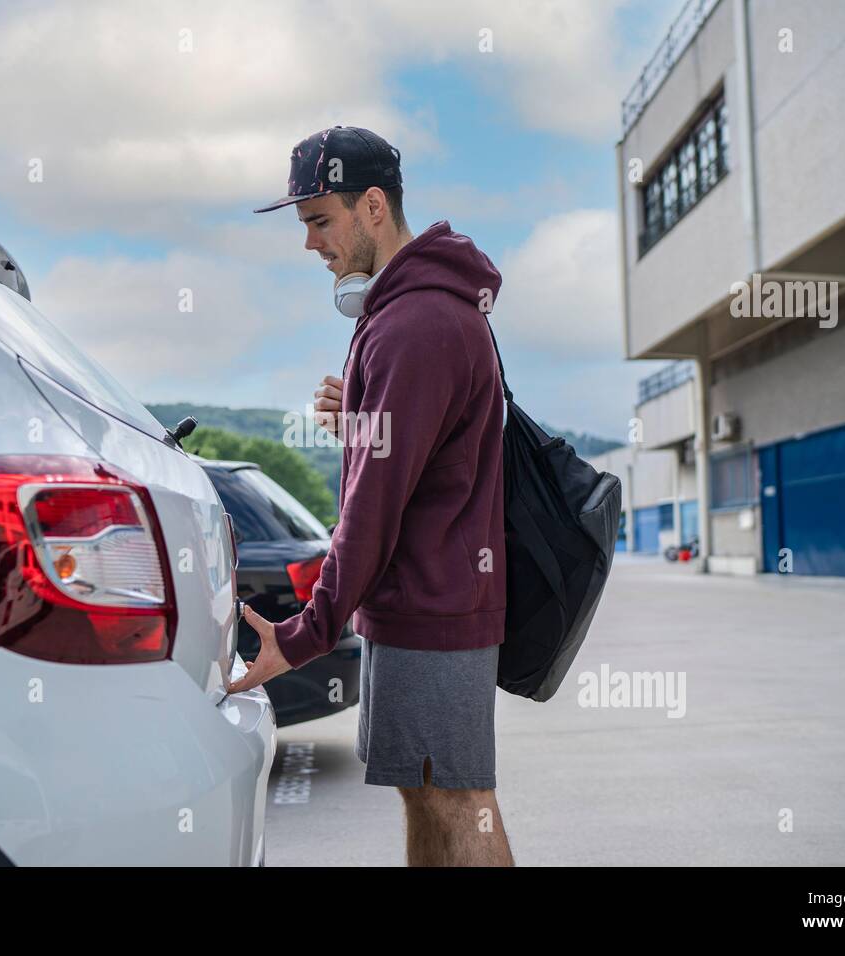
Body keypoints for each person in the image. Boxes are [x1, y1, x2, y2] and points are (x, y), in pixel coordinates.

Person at [228, 126, 513, 866]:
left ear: (374, 207)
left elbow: (372, 507)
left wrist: (302, 634)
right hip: (419, 604)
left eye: (321, 220)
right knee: (425, 791)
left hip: (435, 605)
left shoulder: (413, 324)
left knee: (459, 802)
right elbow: (418, 462)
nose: (310, 243)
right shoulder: (410, 314)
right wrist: (362, 423)